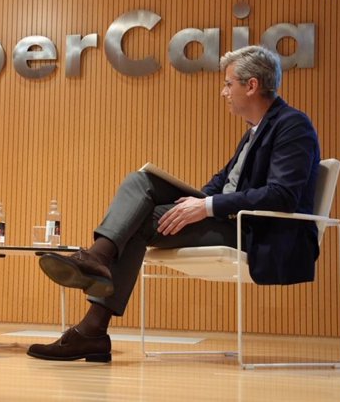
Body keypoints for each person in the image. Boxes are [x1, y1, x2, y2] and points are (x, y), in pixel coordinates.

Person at [27, 45, 320, 362]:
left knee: (137, 220)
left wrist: (205, 207)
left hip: (258, 234)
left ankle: (93, 312)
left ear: (251, 86)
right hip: (233, 222)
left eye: (228, 84)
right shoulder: (254, 131)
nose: (223, 92)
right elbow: (222, 181)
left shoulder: (292, 125)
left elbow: (283, 194)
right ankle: (95, 293)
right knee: (140, 182)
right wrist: (196, 199)